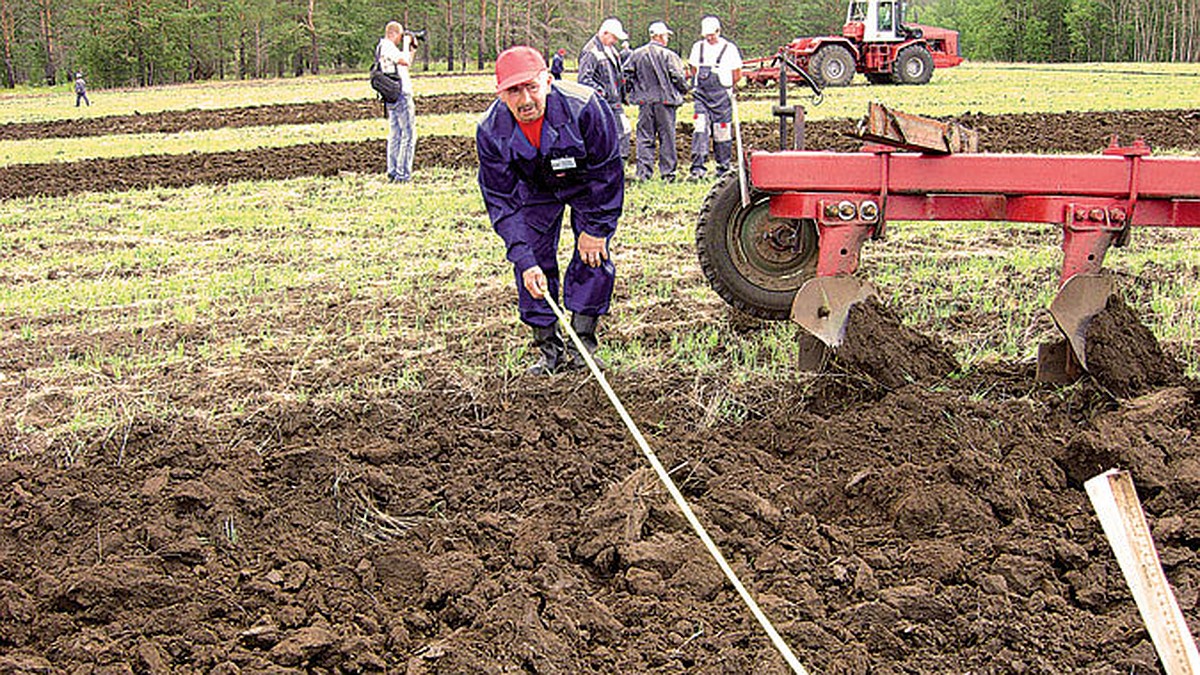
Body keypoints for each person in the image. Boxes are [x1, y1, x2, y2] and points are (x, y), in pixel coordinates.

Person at [477, 46, 624, 375]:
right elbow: (501, 200)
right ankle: (549, 351)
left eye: (531, 86)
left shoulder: (585, 107)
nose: (525, 99)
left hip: (587, 184)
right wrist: (523, 258)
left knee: (593, 256)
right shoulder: (491, 131)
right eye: (514, 90)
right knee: (532, 263)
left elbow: (607, 172)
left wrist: (597, 228)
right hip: (535, 189)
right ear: (501, 94)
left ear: (548, 80)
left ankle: (582, 344)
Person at [624, 21, 690, 182]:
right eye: (666, 35)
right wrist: (685, 89)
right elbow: (677, 77)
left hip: (644, 103)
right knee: (667, 138)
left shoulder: (637, 54)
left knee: (644, 137)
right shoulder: (669, 56)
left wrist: (632, 92)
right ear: (660, 36)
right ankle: (668, 174)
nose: (667, 39)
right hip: (666, 102)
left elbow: (626, 75)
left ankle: (643, 174)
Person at [686, 16, 742, 180]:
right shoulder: (698, 47)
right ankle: (698, 169)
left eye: (712, 35)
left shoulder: (729, 48)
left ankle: (723, 167)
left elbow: (737, 74)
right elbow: (694, 68)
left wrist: (727, 84)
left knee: (722, 132)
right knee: (700, 129)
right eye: (706, 35)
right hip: (701, 96)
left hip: (722, 97)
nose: (709, 38)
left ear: (718, 31)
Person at [578, 18, 631, 161]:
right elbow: (584, 79)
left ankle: (617, 168)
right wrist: (603, 93)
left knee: (622, 133)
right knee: (618, 134)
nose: (615, 41)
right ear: (604, 33)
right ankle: (615, 168)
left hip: (615, 102)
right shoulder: (591, 52)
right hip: (603, 103)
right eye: (613, 37)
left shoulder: (611, 50)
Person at [375, 21, 417, 183]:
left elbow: (406, 64)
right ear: (394, 34)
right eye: (400, 37)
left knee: (396, 134)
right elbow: (404, 61)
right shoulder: (387, 47)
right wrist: (406, 44)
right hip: (401, 94)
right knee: (408, 135)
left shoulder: (382, 47)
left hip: (392, 95)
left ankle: (393, 171)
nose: (401, 39)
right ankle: (402, 174)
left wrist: (411, 49)